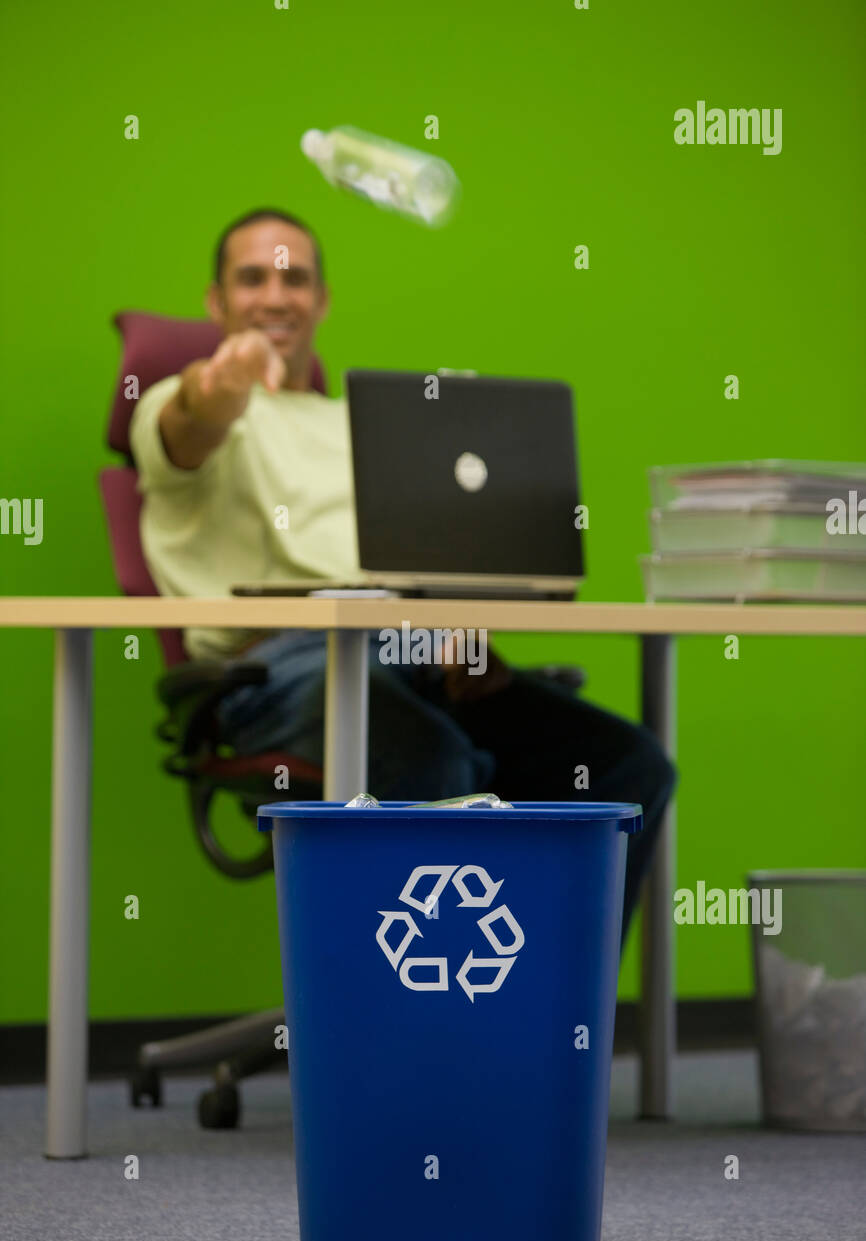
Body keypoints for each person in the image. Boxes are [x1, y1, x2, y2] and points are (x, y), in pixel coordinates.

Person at [129, 207, 676, 937]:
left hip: (413, 651)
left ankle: (550, 1023)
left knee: (626, 766)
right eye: (251, 277)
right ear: (215, 302)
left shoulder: (371, 424)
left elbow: (424, 561)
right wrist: (217, 382)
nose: (274, 296)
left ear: (320, 300)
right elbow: (191, 422)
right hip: (273, 674)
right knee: (440, 766)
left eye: (294, 278)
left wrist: (455, 626)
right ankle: (421, 1030)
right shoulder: (178, 401)